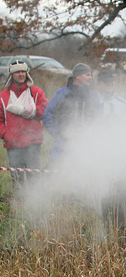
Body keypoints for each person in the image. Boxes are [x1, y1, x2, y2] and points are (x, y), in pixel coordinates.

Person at [0, 58, 48, 190]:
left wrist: (28, 110)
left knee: (34, 176)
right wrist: (5, 134)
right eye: (17, 72)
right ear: (12, 74)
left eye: (23, 71)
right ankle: (18, 200)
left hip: (33, 142)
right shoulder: (3, 96)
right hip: (13, 143)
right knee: (17, 177)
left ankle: (35, 200)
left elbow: (44, 111)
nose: (21, 74)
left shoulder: (36, 92)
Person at [43, 62, 103, 161]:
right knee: (58, 169)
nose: (90, 78)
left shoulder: (93, 96)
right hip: (62, 148)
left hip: (86, 148)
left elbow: (99, 119)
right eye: (87, 75)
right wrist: (57, 134)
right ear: (77, 76)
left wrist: (93, 137)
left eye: (91, 75)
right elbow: (48, 115)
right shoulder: (61, 93)